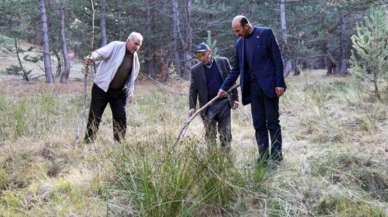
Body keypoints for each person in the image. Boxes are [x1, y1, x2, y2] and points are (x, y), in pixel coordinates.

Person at [217, 15, 286, 163]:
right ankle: (263, 157)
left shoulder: (266, 33)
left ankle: (276, 157)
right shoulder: (239, 43)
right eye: (235, 31)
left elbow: (277, 60)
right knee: (258, 123)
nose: (237, 34)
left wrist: (280, 83)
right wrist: (224, 88)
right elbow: (235, 69)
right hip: (252, 90)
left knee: (272, 122)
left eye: (238, 30)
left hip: (269, 87)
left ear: (246, 25)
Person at [84, 32, 143, 143]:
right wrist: (91, 58)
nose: (137, 47)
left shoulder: (135, 59)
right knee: (95, 115)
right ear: (128, 40)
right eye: (135, 44)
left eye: (139, 45)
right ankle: (89, 142)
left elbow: (131, 78)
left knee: (120, 117)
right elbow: (101, 53)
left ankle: (119, 143)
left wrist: (130, 92)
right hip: (101, 88)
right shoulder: (115, 46)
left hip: (119, 92)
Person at [189, 42, 239, 151]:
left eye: (203, 54)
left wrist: (235, 99)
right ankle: (213, 158)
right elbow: (193, 90)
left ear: (209, 52)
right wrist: (192, 107)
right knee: (210, 135)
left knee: (225, 133)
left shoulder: (223, 62)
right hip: (207, 107)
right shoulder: (195, 70)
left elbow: (232, 81)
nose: (201, 58)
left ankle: (225, 158)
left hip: (224, 103)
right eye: (198, 56)